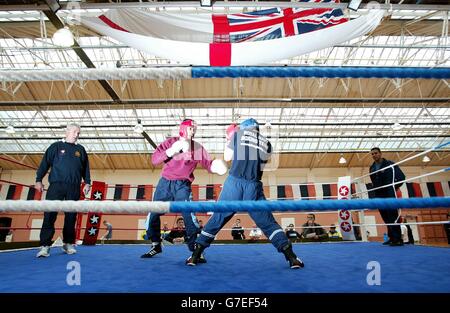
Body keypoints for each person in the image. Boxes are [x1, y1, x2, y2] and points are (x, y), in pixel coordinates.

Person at [187, 119, 304, 269]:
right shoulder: (268, 144)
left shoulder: (238, 134)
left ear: (244, 128)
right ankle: (292, 258)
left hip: (234, 184)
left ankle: (195, 256)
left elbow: (228, 158)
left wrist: (229, 140)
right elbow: (259, 163)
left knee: (218, 218)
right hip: (253, 186)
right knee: (268, 223)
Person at [141, 119, 227, 260]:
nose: (193, 131)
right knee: (152, 215)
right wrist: (171, 151)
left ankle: (196, 250)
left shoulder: (197, 147)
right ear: (182, 128)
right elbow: (155, 160)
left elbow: (208, 165)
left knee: (189, 216)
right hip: (165, 183)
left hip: (183, 185)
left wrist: (216, 166)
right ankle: (156, 245)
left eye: (194, 129)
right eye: (191, 128)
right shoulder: (170, 142)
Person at [35, 123, 91, 258]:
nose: (77, 135)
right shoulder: (55, 146)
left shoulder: (81, 150)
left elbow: (86, 168)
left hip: (74, 186)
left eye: (79, 133)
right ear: (67, 132)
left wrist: (87, 182)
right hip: (56, 185)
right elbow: (44, 164)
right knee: (49, 214)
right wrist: (38, 179)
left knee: (71, 216)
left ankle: (68, 243)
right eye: (74, 132)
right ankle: (45, 246)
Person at [369, 147, 406, 246]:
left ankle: (398, 239)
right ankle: (391, 238)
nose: (374, 155)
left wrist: (393, 187)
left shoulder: (390, 164)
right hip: (379, 195)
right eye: (372, 154)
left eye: (376, 153)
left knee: (393, 215)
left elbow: (402, 177)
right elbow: (373, 182)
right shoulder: (372, 168)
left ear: (380, 153)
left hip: (389, 194)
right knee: (385, 216)